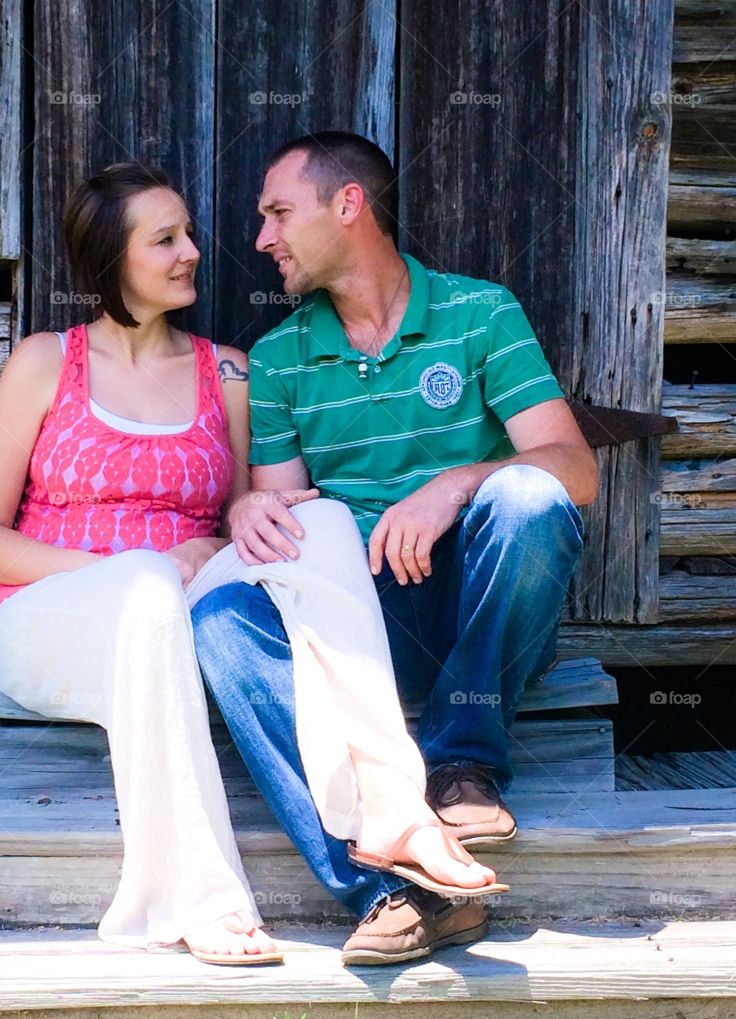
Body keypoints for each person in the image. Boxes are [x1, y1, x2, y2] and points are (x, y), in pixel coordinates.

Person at [0, 159, 504, 967]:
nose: (193, 253)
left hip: (180, 594)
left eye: (190, 235)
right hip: (51, 612)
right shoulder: (46, 364)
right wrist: (130, 566)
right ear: (113, 258)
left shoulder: (229, 372)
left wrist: (234, 524)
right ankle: (199, 898)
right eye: (166, 239)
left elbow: (252, 515)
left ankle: (395, 807)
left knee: (313, 522)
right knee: (144, 586)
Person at [191, 131, 597, 967]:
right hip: (359, 629)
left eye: (277, 213)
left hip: (478, 617)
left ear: (348, 206)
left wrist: (451, 486)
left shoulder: (481, 314)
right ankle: (393, 891)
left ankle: (461, 765)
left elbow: (573, 468)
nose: (262, 238)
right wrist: (251, 516)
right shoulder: (280, 359)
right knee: (223, 619)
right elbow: (286, 514)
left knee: (527, 497)